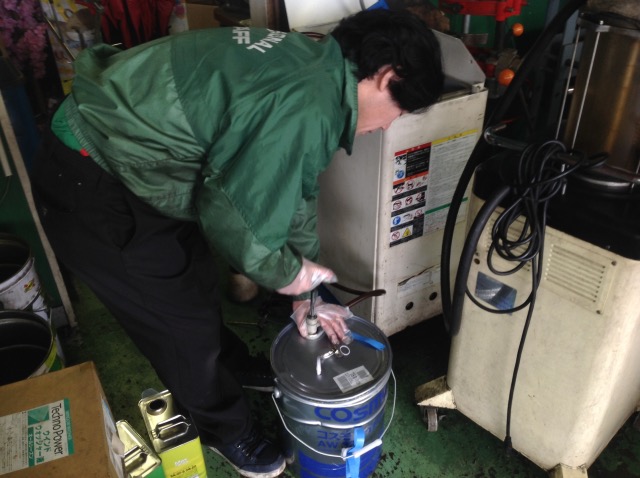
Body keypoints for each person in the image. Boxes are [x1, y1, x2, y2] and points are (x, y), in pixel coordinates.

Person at [30, 8, 444, 478]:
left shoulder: (316, 65)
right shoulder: (306, 101)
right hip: (94, 176)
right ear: (387, 77)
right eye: (398, 111)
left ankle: (231, 365)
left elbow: (293, 188)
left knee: (193, 285)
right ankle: (227, 430)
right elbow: (235, 216)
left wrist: (305, 290)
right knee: (176, 324)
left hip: (143, 166)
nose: (387, 126)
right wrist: (288, 274)